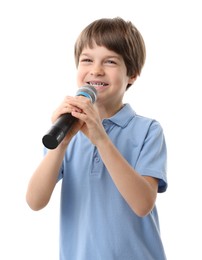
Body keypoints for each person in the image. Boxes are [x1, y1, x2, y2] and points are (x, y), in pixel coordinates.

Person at [26, 17, 168, 260]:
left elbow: (143, 204)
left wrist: (101, 139)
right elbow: (35, 201)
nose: (96, 70)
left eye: (110, 61)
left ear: (132, 74)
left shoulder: (148, 130)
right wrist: (62, 144)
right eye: (87, 60)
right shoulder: (67, 130)